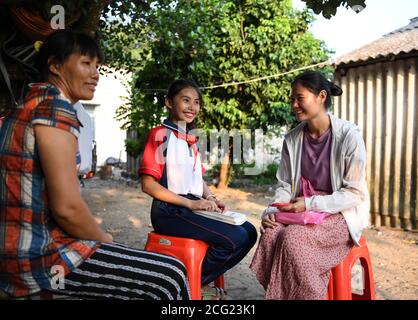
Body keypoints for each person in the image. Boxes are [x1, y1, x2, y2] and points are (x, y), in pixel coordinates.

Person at [0, 30, 190, 300]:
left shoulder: (29, 104)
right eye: (85, 63)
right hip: (38, 257)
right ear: (55, 66)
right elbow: (67, 208)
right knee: (169, 275)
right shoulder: (53, 109)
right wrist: (104, 238)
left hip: (21, 248)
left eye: (97, 66)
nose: (95, 74)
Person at [250, 71, 370, 300]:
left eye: (300, 98)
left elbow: (354, 193)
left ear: (321, 96)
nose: (294, 105)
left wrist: (310, 203)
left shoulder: (348, 136)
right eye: (292, 99)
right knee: (270, 234)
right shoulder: (292, 139)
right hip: (302, 210)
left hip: (338, 213)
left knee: (292, 238)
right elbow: (285, 183)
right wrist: (273, 209)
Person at [139, 79, 258, 300]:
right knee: (235, 239)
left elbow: (197, 177)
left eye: (196, 102)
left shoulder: (190, 140)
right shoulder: (159, 135)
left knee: (249, 232)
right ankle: (187, 284)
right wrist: (191, 203)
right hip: (170, 211)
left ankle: (193, 280)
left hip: (191, 209)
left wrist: (211, 196)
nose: (192, 107)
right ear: (168, 102)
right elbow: (148, 185)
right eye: (185, 100)